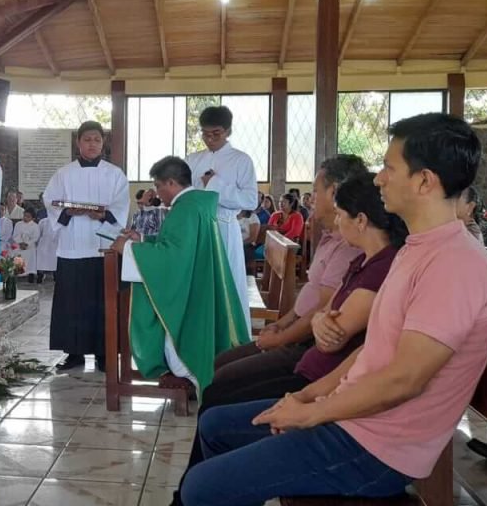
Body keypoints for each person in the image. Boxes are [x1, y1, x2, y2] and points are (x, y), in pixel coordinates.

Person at [180, 113, 487, 506]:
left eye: (388, 167)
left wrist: (312, 414)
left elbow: (406, 380)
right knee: (215, 425)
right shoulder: (418, 249)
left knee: (203, 488)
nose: (379, 178)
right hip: (355, 417)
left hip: (380, 446)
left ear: (424, 181)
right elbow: (374, 350)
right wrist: (309, 396)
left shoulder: (454, 263)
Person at [174, 172, 406, 502]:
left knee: (219, 402)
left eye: (342, 214)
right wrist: (302, 325)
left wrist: (308, 398)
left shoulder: (385, 266)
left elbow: (332, 336)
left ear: (362, 220)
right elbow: (327, 312)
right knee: (217, 394)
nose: (337, 220)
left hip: (321, 376)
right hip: (314, 368)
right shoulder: (362, 259)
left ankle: (198, 493)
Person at [112, 156, 250, 395]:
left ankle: (187, 373)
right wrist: (142, 240)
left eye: (158, 186)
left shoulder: (184, 209)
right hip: (199, 282)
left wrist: (127, 249)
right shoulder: (196, 204)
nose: (157, 192)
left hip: (191, 291)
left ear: (172, 183)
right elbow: (180, 247)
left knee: (172, 328)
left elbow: (172, 258)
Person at [43, 121, 129, 372]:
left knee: (103, 301)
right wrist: (69, 211)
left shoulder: (114, 174)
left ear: (103, 143)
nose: (92, 144)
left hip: (103, 245)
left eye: (97, 140)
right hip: (72, 245)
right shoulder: (64, 174)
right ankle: (74, 353)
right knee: (72, 302)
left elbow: (121, 207)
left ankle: (105, 353)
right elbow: (51, 202)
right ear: (78, 142)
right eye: (87, 139)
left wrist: (102, 214)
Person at [185, 106, 259, 329]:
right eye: (205, 133)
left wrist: (216, 185)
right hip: (197, 230)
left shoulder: (241, 160)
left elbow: (250, 200)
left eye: (215, 133)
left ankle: (231, 341)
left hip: (225, 228)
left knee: (227, 284)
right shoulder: (192, 159)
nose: (209, 139)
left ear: (228, 131)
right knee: (199, 286)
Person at [12, 209, 41, 283]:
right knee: (16, 253)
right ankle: (18, 273)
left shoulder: (35, 226)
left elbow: (36, 237)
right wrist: (20, 242)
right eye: (24, 216)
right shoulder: (18, 224)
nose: (25, 218)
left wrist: (27, 243)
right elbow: (15, 235)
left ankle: (30, 274)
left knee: (31, 254)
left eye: (28, 216)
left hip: (29, 245)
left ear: (32, 218)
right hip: (19, 244)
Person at [35, 211, 58, 284]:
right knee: (41, 258)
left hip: (55, 244)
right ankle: (40, 275)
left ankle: (56, 275)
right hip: (44, 243)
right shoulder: (43, 221)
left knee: (55, 260)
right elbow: (38, 233)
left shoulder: (59, 222)